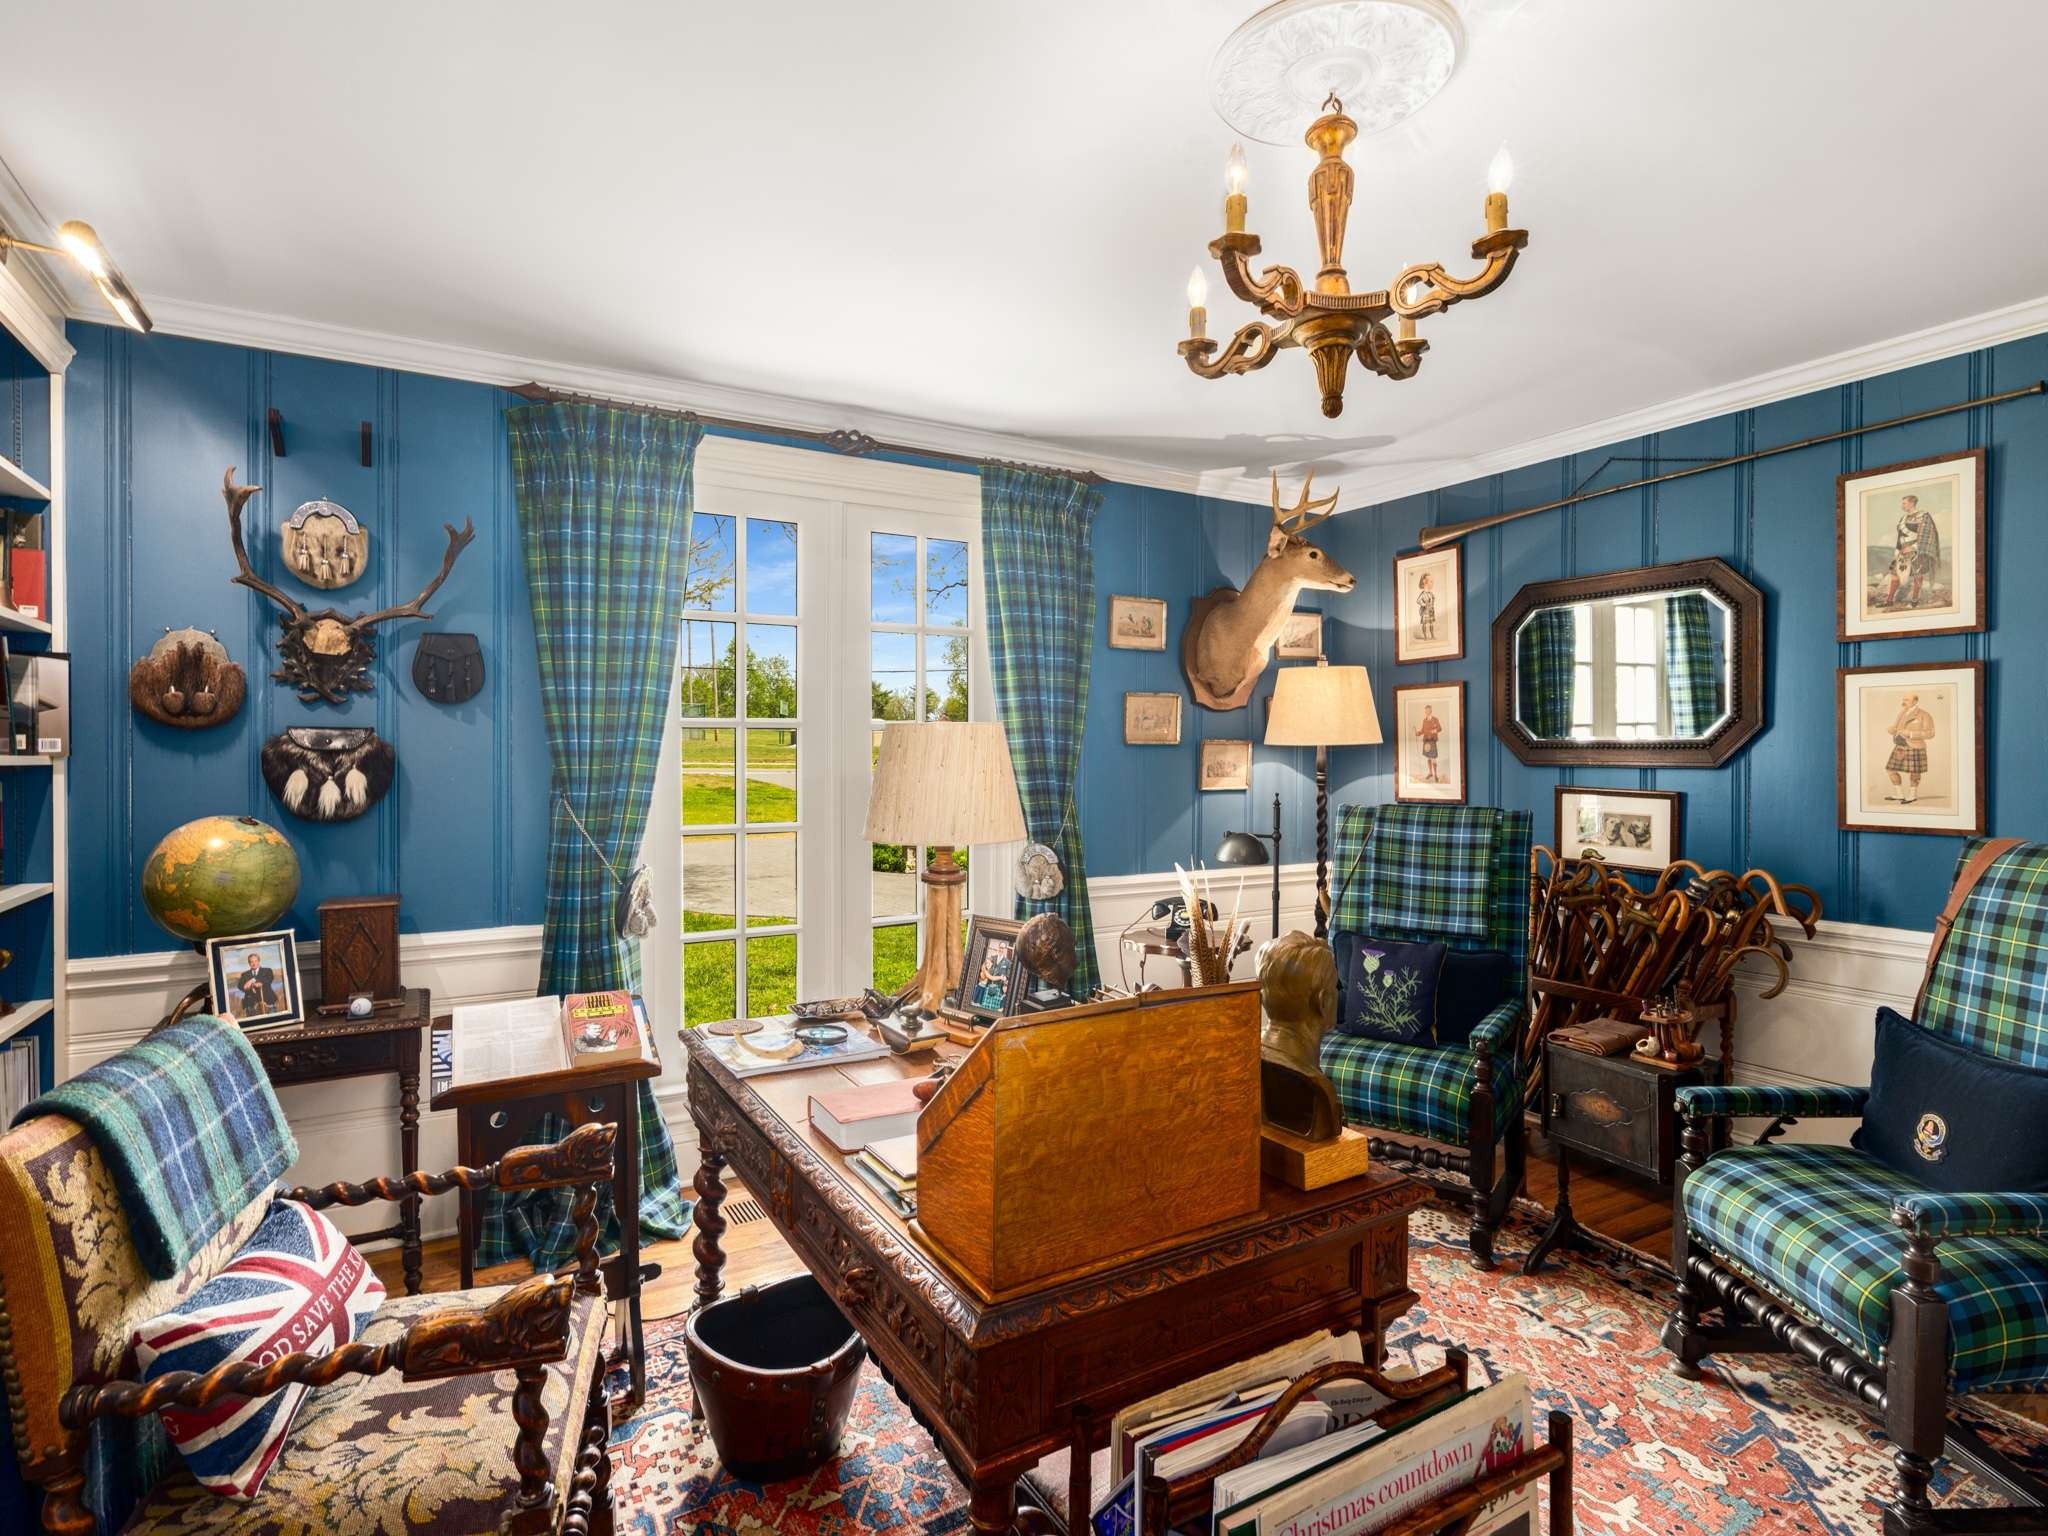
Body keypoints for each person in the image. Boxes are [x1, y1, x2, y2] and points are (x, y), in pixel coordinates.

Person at [1878, 492, 1940, 609]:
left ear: (1912, 503)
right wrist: (1897, 550)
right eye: (1902, 504)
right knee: (1895, 575)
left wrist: (1914, 547)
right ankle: (1889, 600)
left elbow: (1928, 535)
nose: (1902, 506)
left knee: (1918, 574)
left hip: (1917, 550)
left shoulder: (1924, 516)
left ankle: (1914, 600)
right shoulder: (1903, 518)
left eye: (1904, 503)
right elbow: (1900, 535)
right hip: (1902, 550)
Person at [1884, 693, 1935, 804]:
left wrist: (1911, 733)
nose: (1904, 702)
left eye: (1907, 699)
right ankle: (1899, 794)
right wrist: (1893, 729)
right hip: (1900, 746)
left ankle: (1912, 795)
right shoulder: (1902, 712)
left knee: (1915, 771)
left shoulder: (1924, 715)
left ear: (1915, 701)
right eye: (1903, 699)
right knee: (1890, 769)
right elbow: (1897, 727)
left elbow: (1930, 733)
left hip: (1915, 746)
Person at [234, 950, 279, 1017]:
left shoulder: (267, 971)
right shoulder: (245, 974)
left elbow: (268, 979)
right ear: (249, 963)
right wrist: (246, 987)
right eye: (251, 962)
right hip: (251, 1006)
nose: (254, 963)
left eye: (255, 961)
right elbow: (240, 986)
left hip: (268, 1004)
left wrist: (252, 981)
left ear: (259, 961)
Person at [1416, 704, 1443, 784]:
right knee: (1428, 758)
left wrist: (1434, 731)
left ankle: (1435, 775)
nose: (1427, 712)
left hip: (1432, 741)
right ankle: (1430, 773)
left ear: (1431, 711)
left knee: (1433, 758)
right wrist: (1418, 733)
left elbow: (1440, 728)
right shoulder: (1424, 720)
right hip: (1426, 741)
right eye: (1426, 711)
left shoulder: (1435, 719)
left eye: (1428, 710)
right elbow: (1422, 730)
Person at [1414, 570, 1437, 641]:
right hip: (1425, 611)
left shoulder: (1430, 593)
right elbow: (1418, 601)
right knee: (1424, 624)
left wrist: (1431, 605)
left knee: (1431, 623)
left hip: (1430, 611)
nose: (1432, 583)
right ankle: (1425, 637)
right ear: (1425, 582)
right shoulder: (1423, 594)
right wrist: (1424, 605)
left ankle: (1432, 635)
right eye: (1431, 581)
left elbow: (1433, 600)